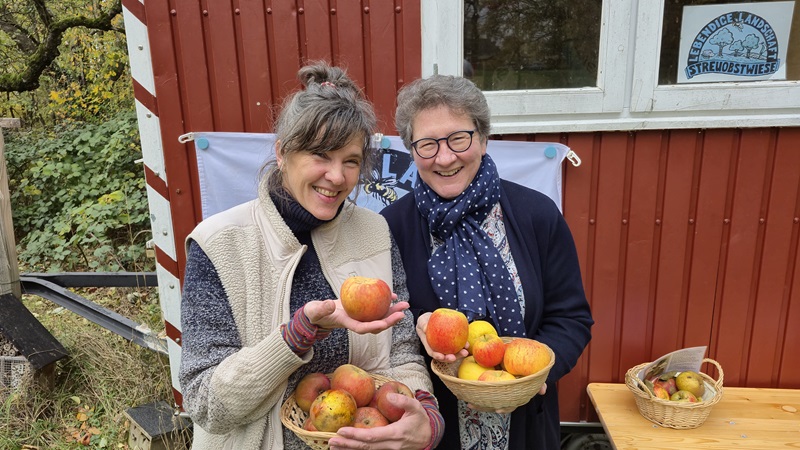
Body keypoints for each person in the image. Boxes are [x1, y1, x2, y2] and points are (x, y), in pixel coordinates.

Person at [179, 61, 443, 450]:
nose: (337, 177)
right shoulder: (220, 243)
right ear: (283, 152)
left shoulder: (374, 232)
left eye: (350, 161)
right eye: (321, 155)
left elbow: (402, 352)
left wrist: (426, 415)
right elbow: (205, 404)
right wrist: (296, 336)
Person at [380, 74, 594, 450]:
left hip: (526, 423)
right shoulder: (391, 227)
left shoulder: (536, 215)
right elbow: (385, 326)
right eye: (427, 145)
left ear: (482, 137)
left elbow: (571, 317)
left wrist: (537, 373)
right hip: (436, 430)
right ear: (412, 151)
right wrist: (419, 326)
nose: (444, 157)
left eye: (458, 138)